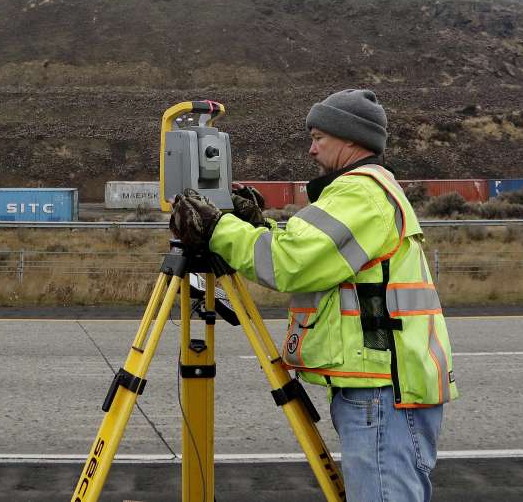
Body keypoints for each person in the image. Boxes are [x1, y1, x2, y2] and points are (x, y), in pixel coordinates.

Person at [170, 89, 456, 502]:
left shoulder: (360, 193)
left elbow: (289, 263)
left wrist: (217, 229)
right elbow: (313, 254)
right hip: (379, 386)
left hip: (382, 392)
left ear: (351, 138)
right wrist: (258, 228)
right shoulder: (364, 191)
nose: (312, 149)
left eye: (319, 137)